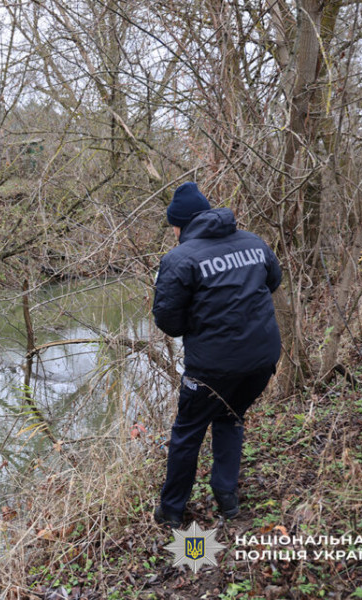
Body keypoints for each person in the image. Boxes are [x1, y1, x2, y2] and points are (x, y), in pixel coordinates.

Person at [151, 181, 281, 528]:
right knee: (230, 417)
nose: (174, 232)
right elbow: (273, 281)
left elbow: (169, 322)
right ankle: (227, 499)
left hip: (211, 368)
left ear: (183, 223)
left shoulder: (179, 259)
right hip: (261, 361)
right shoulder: (253, 243)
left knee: (188, 432)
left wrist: (202, 317)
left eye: (174, 225)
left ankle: (172, 510)